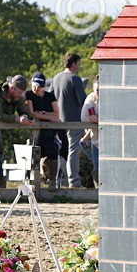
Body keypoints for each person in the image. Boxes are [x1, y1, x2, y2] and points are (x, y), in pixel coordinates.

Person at [0, 75, 34, 187]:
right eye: (19, 92)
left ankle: (0, 187)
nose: (21, 95)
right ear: (12, 88)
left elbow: (25, 110)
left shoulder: (17, 97)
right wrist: (17, 119)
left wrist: (27, 117)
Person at [50, 53, 88, 189]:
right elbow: (82, 100)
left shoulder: (56, 78)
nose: (80, 66)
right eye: (79, 63)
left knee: (61, 151)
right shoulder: (75, 79)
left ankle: (61, 181)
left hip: (59, 121)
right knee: (73, 151)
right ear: (74, 63)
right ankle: (74, 181)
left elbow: (50, 98)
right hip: (74, 121)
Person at [25, 72, 63, 189]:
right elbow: (31, 112)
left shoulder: (50, 96)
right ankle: (30, 181)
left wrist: (41, 113)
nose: (37, 88)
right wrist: (48, 115)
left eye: (39, 86)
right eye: (35, 85)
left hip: (49, 133)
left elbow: (57, 114)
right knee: (33, 156)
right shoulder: (29, 95)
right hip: (35, 133)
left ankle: (52, 180)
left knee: (52, 153)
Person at [81, 77, 100, 178]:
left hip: (111, 141)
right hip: (96, 140)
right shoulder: (90, 98)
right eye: (97, 90)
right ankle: (97, 192)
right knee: (96, 168)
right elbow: (84, 117)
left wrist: (98, 120)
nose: (99, 93)